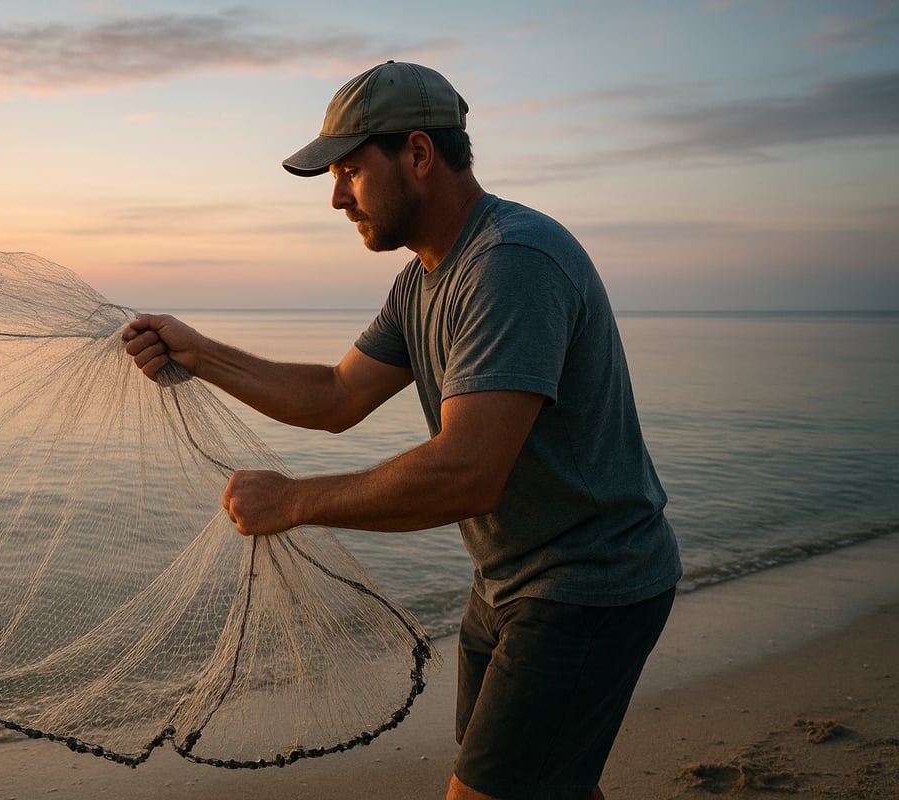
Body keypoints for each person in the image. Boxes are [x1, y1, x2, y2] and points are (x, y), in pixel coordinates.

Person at [124, 61, 682, 800]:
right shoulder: (423, 278)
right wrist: (202, 353)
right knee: (546, 782)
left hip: (589, 584)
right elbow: (335, 396)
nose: (336, 197)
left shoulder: (512, 263)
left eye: (351, 170)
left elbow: (466, 472)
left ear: (418, 155)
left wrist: (293, 502)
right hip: (510, 580)